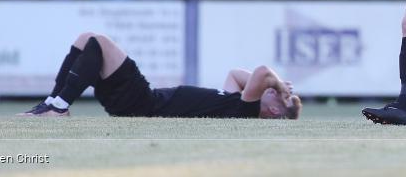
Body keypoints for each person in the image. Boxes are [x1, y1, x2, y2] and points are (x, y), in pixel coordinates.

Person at [17, 31, 301, 120]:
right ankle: (52, 103)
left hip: (144, 104)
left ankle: (60, 108)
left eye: (278, 96)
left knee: (99, 42)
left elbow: (263, 72)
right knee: (86, 39)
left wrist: (278, 83)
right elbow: (236, 75)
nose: (273, 89)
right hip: (140, 102)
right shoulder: (235, 102)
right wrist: (277, 89)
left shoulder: (246, 112)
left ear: (274, 110)